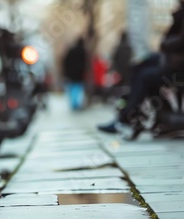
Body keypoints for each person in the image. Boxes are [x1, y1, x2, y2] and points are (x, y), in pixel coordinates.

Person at [98, 1, 184, 133]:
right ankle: (136, 112)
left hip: (178, 66)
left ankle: (126, 118)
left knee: (145, 76)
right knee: (140, 65)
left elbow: (179, 41)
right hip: (174, 61)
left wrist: (166, 43)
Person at [62, 38, 87, 110]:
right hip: (78, 74)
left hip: (71, 74)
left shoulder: (71, 51)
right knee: (77, 89)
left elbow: (65, 61)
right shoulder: (82, 51)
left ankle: (73, 104)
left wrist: (66, 72)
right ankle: (75, 104)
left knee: (72, 89)